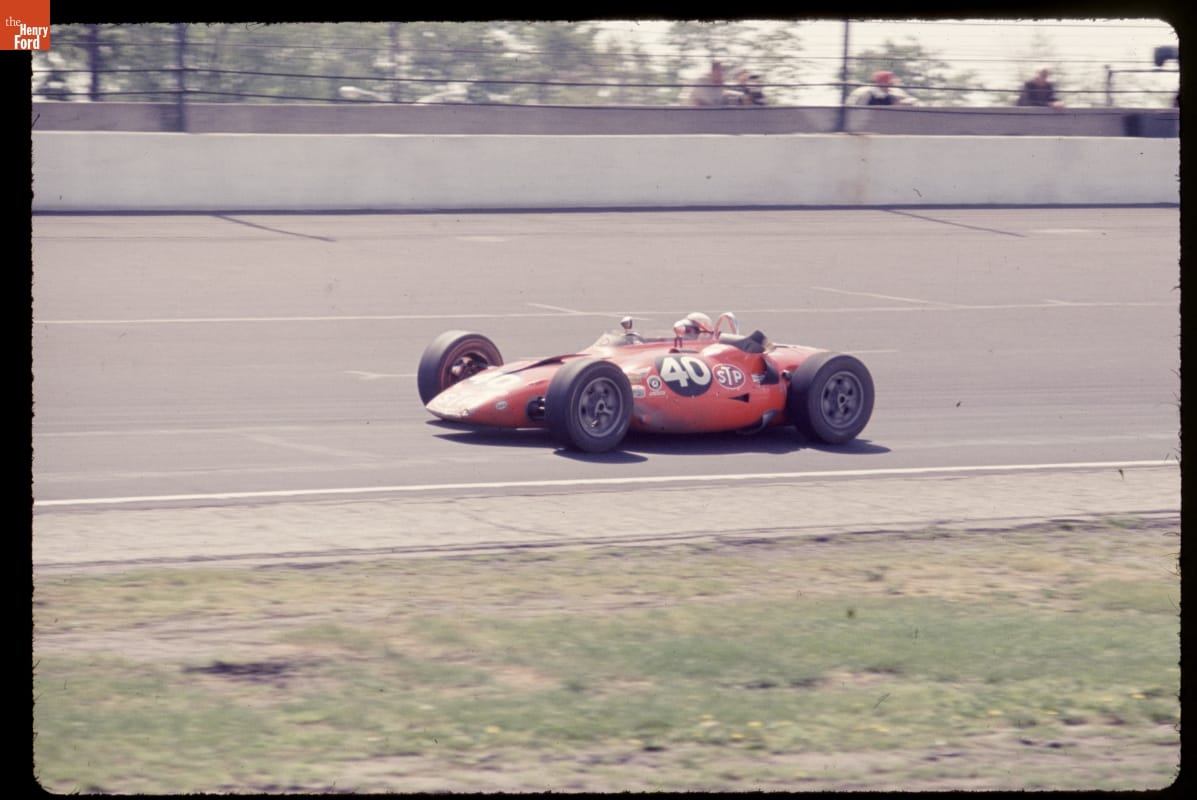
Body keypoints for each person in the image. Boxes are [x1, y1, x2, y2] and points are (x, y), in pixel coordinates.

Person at [845, 70, 920, 106]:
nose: (891, 85)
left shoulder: (890, 93)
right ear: (880, 83)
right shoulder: (866, 94)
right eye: (889, 83)